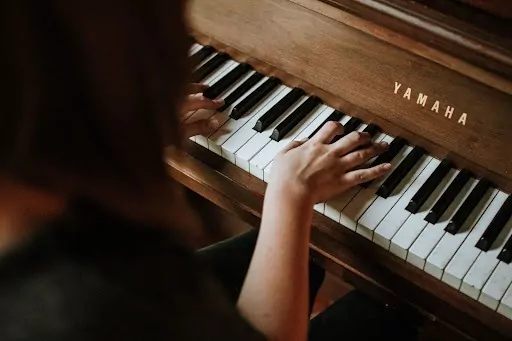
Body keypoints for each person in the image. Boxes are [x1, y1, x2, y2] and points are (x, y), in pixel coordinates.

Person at [0, 0, 418, 340]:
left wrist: (127, 134)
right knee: (392, 308)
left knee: (312, 253)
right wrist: (290, 196)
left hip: (144, 289)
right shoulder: (74, 309)